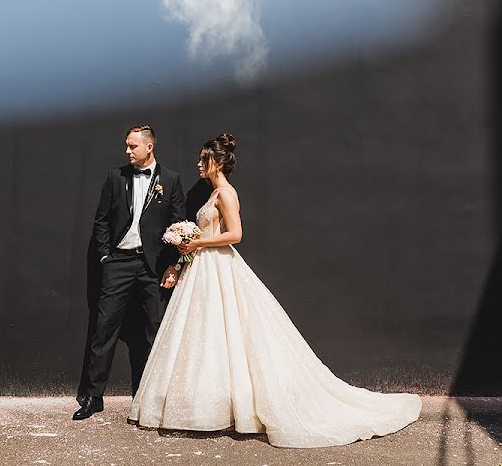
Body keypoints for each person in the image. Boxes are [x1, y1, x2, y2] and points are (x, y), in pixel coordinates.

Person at [129, 133, 422, 448]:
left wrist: (197, 240)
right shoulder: (213, 194)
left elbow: (236, 234)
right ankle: (211, 406)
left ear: (215, 162)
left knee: (228, 331)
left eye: (203, 160)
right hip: (202, 267)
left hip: (219, 266)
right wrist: (182, 258)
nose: (199, 165)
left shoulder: (226, 194)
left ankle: (238, 407)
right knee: (207, 335)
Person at [73, 125, 186, 420]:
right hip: (119, 262)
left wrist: (173, 264)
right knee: (103, 328)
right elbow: (101, 220)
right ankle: (93, 397)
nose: (127, 151)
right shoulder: (115, 177)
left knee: (152, 332)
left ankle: (147, 400)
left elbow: (178, 224)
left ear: (149, 147)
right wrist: (105, 257)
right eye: (126, 146)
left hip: (153, 266)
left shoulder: (171, 180)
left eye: (133, 146)